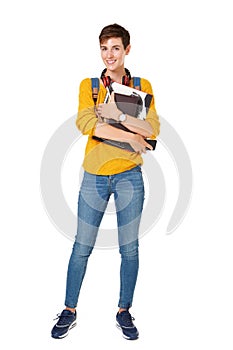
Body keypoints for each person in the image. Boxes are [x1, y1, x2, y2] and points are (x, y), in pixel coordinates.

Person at [51, 23, 160, 341]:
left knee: (130, 249)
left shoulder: (141, 84)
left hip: (130, 177)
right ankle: (69, 310)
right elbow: (88, 125)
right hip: (95, 178)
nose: (109, 54)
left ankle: (123, 311)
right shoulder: (90, 85)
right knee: (82, 246)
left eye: (115, 47)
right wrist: (132, 134)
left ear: (127, 49)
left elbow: (151, 131)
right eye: (104, 48)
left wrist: (117, 114)